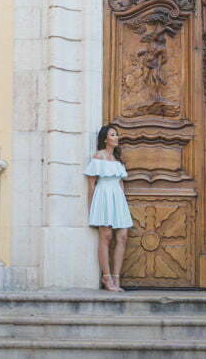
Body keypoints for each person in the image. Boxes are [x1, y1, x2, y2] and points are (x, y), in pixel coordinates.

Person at [85, 124, 133, 292]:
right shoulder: (98, 157)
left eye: (117, 134)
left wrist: (123, 205)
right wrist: (91, 209)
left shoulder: (117, 160)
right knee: (106, 236)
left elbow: (121, 184)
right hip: (103, 196)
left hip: (118, 198)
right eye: (113, 135)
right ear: (105, 138)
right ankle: (106, 278)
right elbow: (91, 185)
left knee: (123, 237)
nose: (116, 137)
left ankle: (116, 277)